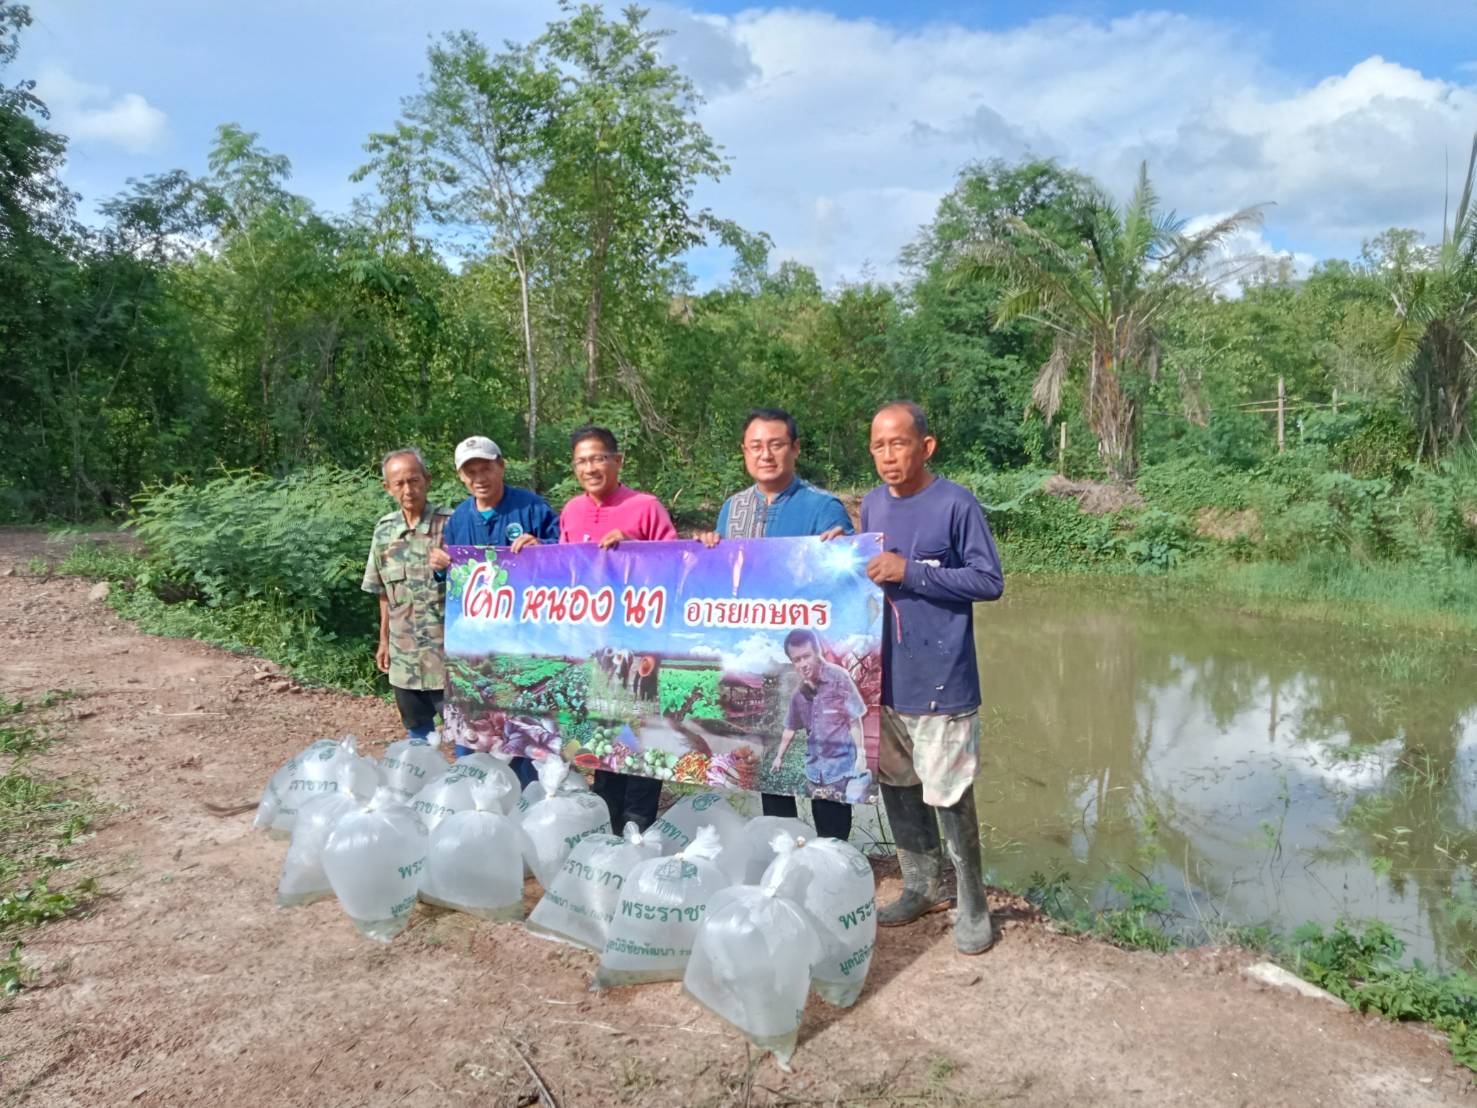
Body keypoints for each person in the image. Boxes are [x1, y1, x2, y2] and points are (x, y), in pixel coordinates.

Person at [860, 401, 1004, 956]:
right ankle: (921, 886)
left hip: (942, 678)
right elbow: (868, 574)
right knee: (898, 784)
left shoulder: (955, 503)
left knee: (950, 791)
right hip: (886, 676)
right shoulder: (872, 504)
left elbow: (989, 581)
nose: (887, 455)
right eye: (878, 445)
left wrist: (912, 572)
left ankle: (973, 904)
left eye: (898, 443)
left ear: (926, 446)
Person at [695, 408, 857, 840]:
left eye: (776, 445)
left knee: (824, 763)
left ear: (795, 449)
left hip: (807, 658)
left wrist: (845, 554)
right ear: (744, 452)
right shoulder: (733, 509)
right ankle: (784, 851)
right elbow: (724, 584)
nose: (765, 455)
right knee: (772, 763)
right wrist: (711, 549)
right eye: (756, 446)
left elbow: (848, 586)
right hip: (759, 658)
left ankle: (832, 854)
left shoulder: (823, 508)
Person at [559, 425, 677, 831]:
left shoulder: (646, 507)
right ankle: (606, 828)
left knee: (642, 741)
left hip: (642, 648)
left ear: (617, 461)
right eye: (582, 461)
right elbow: (565, 573)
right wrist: (533, 554)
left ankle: (638, 829)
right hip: (595, 646)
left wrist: (634, 545)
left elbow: (678, 566)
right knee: (603, 742)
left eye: (598, 458)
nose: (590, 468)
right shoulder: (571, 511)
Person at [433, 435, 559, 779]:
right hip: (477, 648)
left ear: (501, 466)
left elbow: (568, 556)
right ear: (461, 477)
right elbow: (455, 579)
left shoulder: (532, 508)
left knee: (525, 729)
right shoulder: (459, 519)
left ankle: (530, 795)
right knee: (476, 727)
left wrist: (543, 547)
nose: (479, 478)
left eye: (486, 468)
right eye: (470, 471)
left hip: (527, 644)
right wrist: (441, 566)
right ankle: (475, 789)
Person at [362, 448, 455, 744]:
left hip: (449, 657)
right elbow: (383, 592)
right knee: (417, 735)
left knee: (466, 736)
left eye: (414, 480)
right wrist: (383, 641)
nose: (408, 490)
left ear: (427, 479)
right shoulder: (384, 532)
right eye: (399, 483)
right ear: (387, 488)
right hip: (405, 658)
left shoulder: (451, 525)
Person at [770, 629, 867, 797]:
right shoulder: (798, 695)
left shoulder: (839, 678)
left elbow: (854, 719)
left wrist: (861, 754)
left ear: (817, 652)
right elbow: (790, 729)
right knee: (818, 811)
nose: (803, 664)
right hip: (813, 773)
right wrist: (779, 757)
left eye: (806, 656)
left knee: (837, 812)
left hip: (841, 771)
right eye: (797, 660)